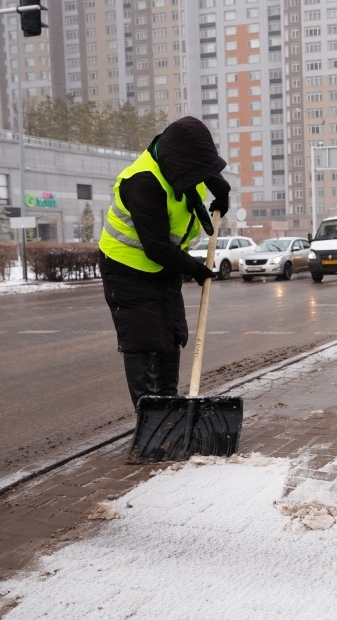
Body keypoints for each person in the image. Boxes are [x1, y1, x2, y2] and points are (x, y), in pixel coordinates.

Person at [99, 116, 230, 411]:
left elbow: (205, 170)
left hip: (164, 266)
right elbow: (156, 247)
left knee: (171, 333)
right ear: (177, 162)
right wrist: (196, 269)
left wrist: (222, 191)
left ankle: (170, 403)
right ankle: (150, 415)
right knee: (143, 338)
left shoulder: (180, 160)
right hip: (126, 268)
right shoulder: (143, 183)